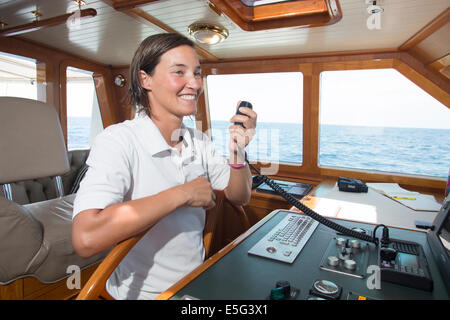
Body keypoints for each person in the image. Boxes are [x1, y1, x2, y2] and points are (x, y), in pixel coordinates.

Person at [71, 33, 257, 300]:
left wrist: (238, 153)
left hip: (193, 284)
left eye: (196, 73)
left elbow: (240, 196)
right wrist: (183, 194)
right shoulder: (118, 140)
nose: (193, 83)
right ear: (145, 79)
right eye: (179, 72)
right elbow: (86, 237)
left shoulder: (199, 141)